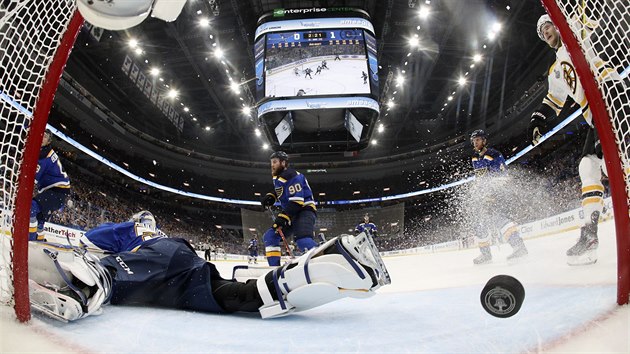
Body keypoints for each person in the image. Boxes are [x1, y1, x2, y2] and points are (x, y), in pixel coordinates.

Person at [27, 211, 390, 321]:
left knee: (109, 269)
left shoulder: (134, 232)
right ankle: (339, 260)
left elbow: (91, 240)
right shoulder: (157, 235)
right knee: (243, 296)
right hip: (184, 271)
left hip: (162, 257)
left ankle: (86, 285)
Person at [529, 14, 619, 265]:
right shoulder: (555, 69)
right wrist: (537, 119)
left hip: (613, 99)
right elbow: (554, 101)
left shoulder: (576, 34)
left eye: (548, 26)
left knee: (620, 164)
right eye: (541, 31)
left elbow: (587, 14)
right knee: (587, 167)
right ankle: (590, 236)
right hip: (595, 117)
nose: (545, 31)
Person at [469, 129, 528, 264]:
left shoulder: (494, 154)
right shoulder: (474, 158)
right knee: (479, 224)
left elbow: (501, 177)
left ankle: (519, 247)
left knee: (499, 219)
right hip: (484, 195)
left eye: (478, 140)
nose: (475, 142)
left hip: (499, 193)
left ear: (484, 141)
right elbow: (480, 178)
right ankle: (486, 255)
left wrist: (492, 195)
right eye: (474, 140)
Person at [260, 151, 318, 266]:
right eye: (271, 162)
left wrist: (283, 216)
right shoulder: (279, 177)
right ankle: (274, 269)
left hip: (304, 211)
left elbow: (297, 201)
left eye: (275, 162)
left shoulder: (292, 176)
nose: (272, 165)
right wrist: (272, 196)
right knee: (270, 237)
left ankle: (323, 263)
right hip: (292, 213)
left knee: (303, 240)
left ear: (283, 163)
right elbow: (282, 191)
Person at [30, 130, 71, 241]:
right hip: (57, 192)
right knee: (40, 218)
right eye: (41, 135)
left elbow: (32, 179)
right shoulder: (45, 151)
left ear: (49, 141)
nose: (42, 137)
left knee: (31, 207)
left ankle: (31, 239)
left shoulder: (43, 154)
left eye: (45, 137)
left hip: (57, 191)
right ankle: (39, 240)